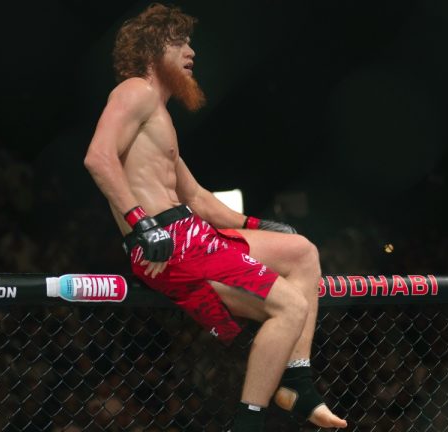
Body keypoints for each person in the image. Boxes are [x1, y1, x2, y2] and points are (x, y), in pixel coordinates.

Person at [84, 4, 348, 431]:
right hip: (165, 241)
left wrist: (259, 226)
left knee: (301, 252)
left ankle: (297, 381)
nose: (192, 52)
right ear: (153, 49)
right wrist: (142, 224)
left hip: (189, 231)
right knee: (289, 305)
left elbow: (198, 198)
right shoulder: (135, 90)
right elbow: (98, 158)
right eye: (180, 42)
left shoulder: (160, 117)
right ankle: (248, 421)